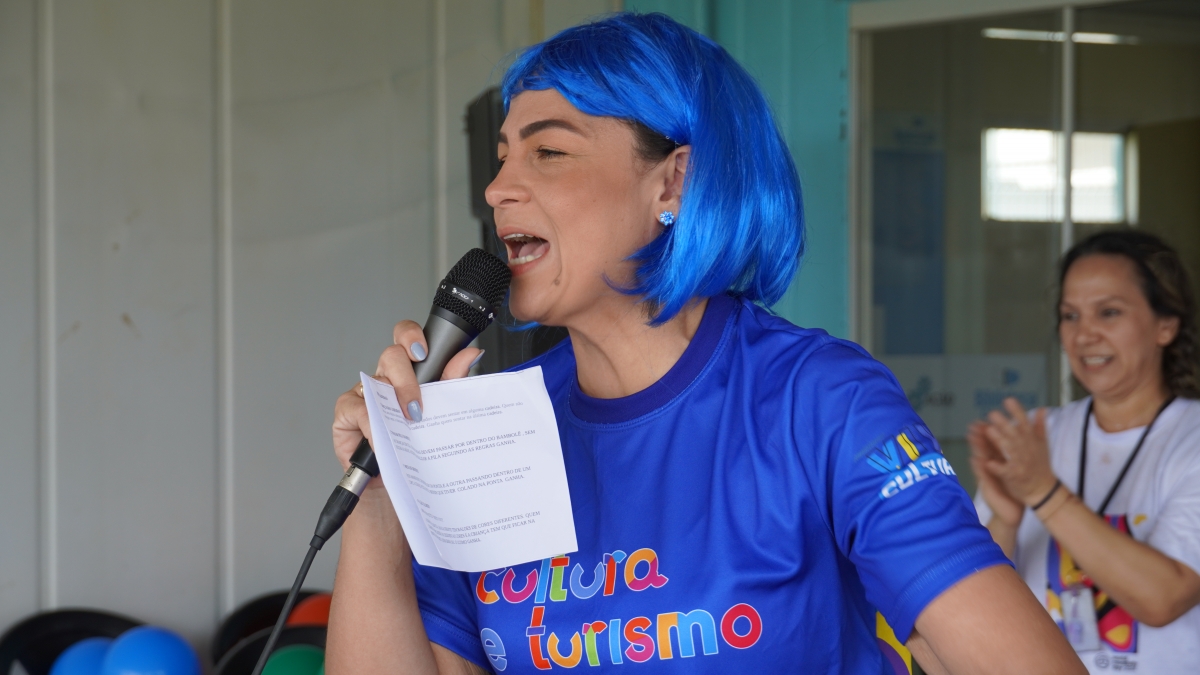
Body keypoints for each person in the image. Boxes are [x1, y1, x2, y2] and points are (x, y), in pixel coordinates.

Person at [327, 12, 1081, 674]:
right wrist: (382, 496)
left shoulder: (819, 401)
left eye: (547, 152)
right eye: (501, 156)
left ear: (674, 183)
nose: (497, 189)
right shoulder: (486, 431)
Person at [971, 230, 1200, 674]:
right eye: (1070, 316)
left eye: (1108, 312)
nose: (1084, 335)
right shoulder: (1035, 436)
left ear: (1166, 326)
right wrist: (1006, 519)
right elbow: (975, 604)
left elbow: (1164, 599)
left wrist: (1045, 493)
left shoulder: (1190, 438)